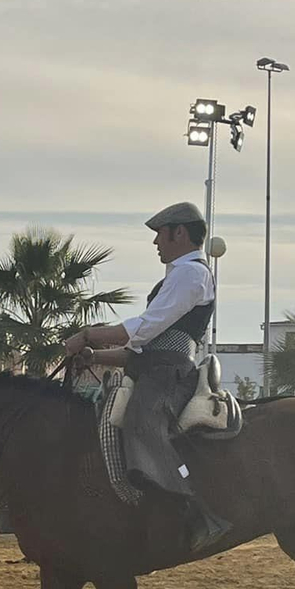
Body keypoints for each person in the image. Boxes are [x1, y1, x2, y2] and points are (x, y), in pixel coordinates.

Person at [60, 201, 228, 553]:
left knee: (140, 423)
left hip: (168, 373)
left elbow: (146, 329)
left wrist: (89, 335)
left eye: (159, 236)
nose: (156, 244)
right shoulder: (178, 276)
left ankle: (196, 511)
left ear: (179, 233)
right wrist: (94, 356)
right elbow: (141, 347)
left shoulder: (192, 273)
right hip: (154, 367)